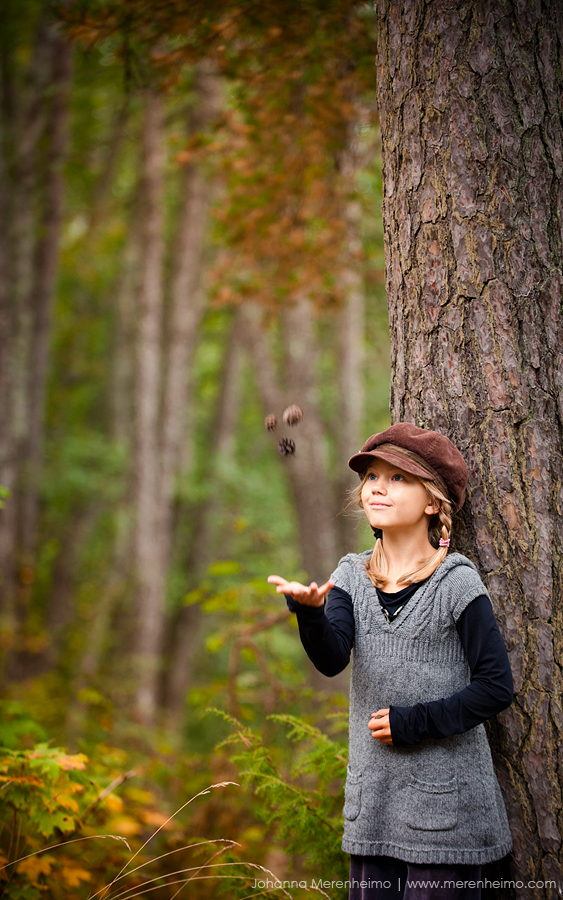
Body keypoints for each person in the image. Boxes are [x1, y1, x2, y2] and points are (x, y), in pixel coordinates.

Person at [268, 423, 513, 900]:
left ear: (433, 503)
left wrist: (413, 722)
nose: (377, 487)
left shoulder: (456, 582)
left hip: (447, 821)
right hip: (373, 808)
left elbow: (496, 686)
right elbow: (332, 659)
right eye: (372, 477)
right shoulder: (350, 574)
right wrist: (311, 614)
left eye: (398, 477)